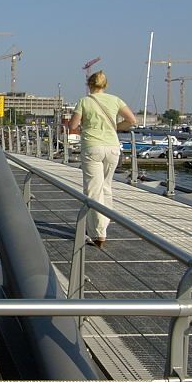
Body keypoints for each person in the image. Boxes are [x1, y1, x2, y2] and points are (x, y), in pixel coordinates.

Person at [69, 71, 137, 249]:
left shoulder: (84, 101)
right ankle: (103, 225)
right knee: (106, 188)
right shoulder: (115, 100)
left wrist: (84, 126)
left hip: (92, 147)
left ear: (89, 84)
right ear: (105, 85)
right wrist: (116, 127)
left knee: (93, 191)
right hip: (113, 148)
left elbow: (73, 125)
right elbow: (132, 120)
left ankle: (98, 234)